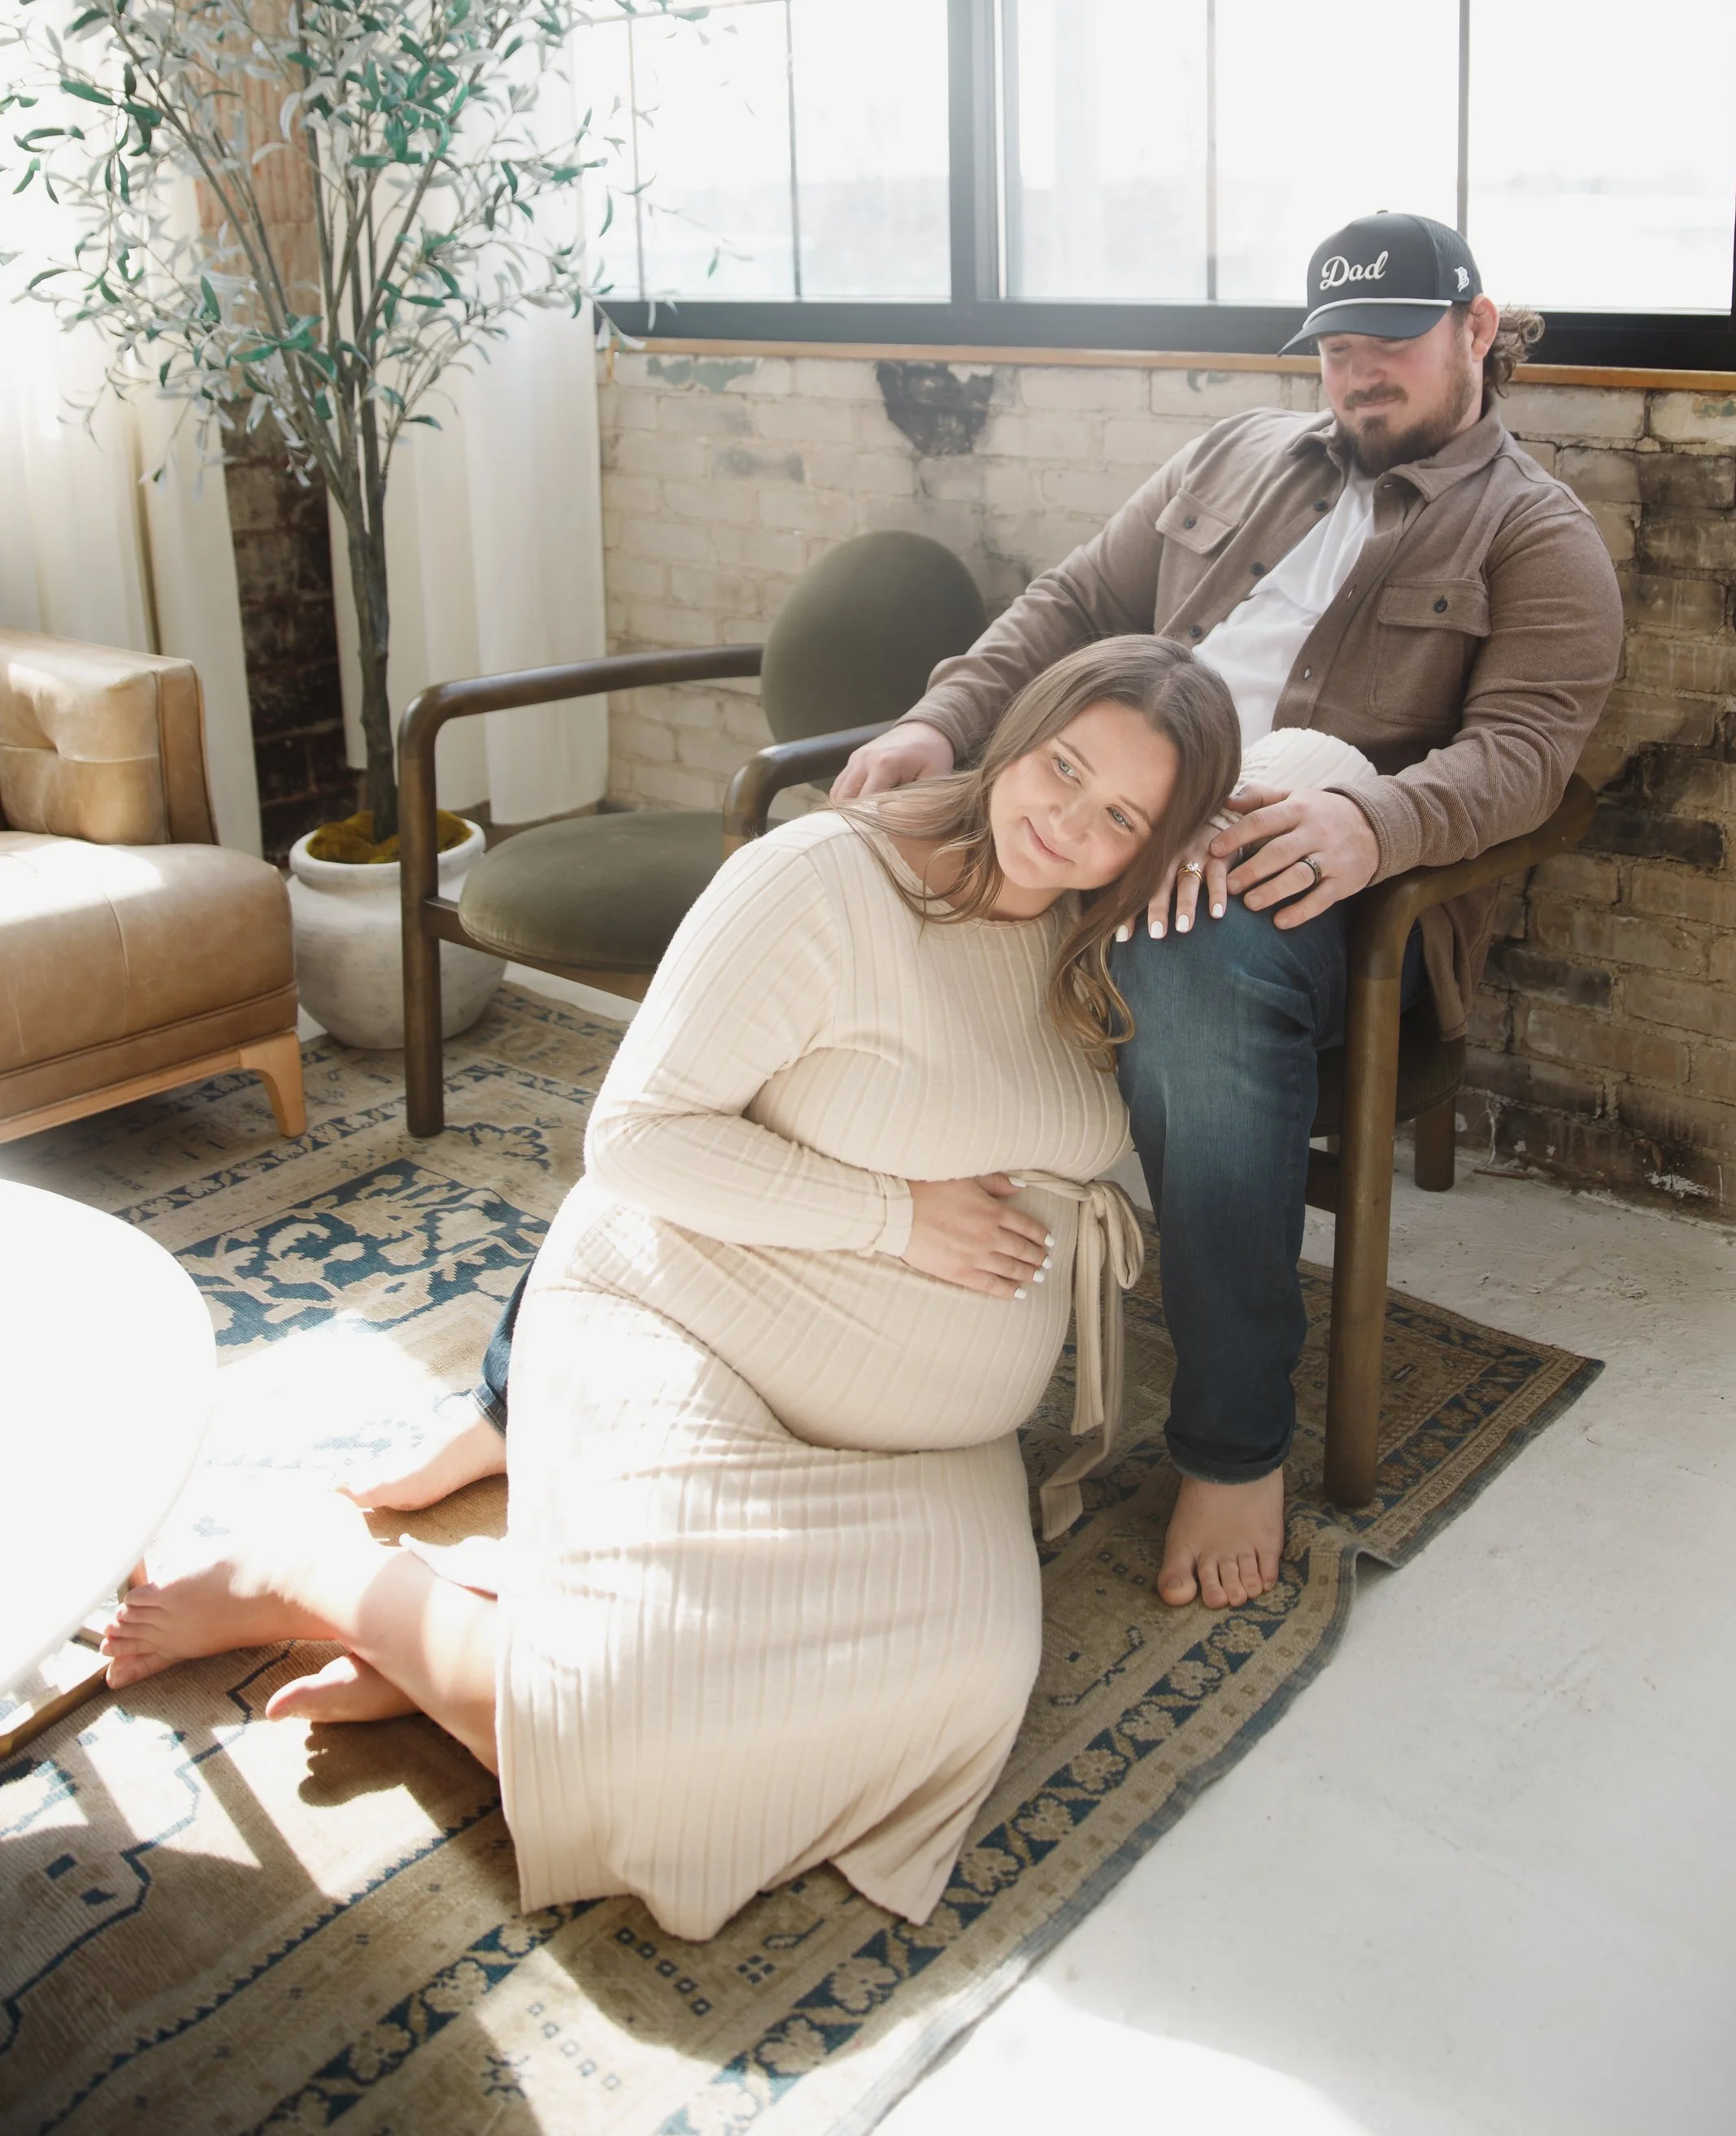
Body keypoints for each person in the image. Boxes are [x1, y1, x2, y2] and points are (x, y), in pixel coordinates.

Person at [100, 640, 1247, 1940]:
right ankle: (324, 1581)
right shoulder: (820, 880)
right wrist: (898, 1217)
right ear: (1020, 731)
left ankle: (479, 1651)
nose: (1066, 821)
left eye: (1121, 818)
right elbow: (634, 1138)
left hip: (922, 1442)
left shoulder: (1089, 939)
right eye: (1063, 767)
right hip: (687, 1315)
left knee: (954, 1692)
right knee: (644, 1741)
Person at [833, 210, 1624, 1614]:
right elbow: (1073, 603)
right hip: (1101, 815)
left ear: (1480, 328)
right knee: (831, 877)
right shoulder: (1230, 456)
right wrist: (939, 721)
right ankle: (700, 1314)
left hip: (1303, 884)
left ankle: (1233, 1433)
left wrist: (1369, 820)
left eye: (1390, 339)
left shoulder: (1537, 532)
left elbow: (1525, 756)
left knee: (1194, 963)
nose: (1357, 372)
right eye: (1333, 346)